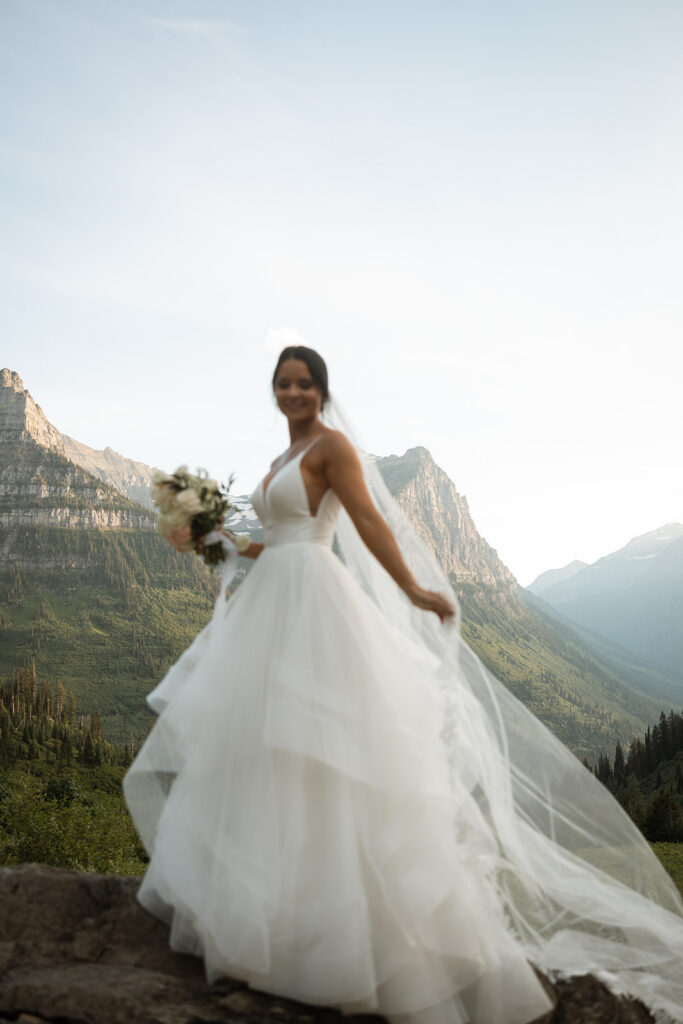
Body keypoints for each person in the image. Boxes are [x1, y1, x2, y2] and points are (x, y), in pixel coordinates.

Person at [123, 347, 683, 1024]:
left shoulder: (332, 449)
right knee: (264, 749)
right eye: (283, 383)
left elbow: (365, 522)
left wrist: (415, 590)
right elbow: (276, 542)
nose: (293, 392)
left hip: (315, 602)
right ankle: (271, 922)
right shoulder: (279, 460)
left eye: (304, 383)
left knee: (324, 748)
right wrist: (216, 537)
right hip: (270, 599)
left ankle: (344, 939)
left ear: (322, 391)